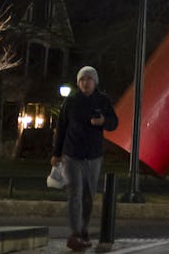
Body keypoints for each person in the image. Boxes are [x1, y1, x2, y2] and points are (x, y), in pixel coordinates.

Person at [51, 66, 119, 252]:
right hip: (71, 154)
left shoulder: (102, 100)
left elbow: (114, 122)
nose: (85, 83)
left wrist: (103, 121)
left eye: (88, 79)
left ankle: (83, 229)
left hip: (93, 155)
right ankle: (75, 234)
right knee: (74, 193)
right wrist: (57, 154)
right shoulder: (71, 102)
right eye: (82, 79)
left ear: (95, 81)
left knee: (88, 195)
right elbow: (62, 128)